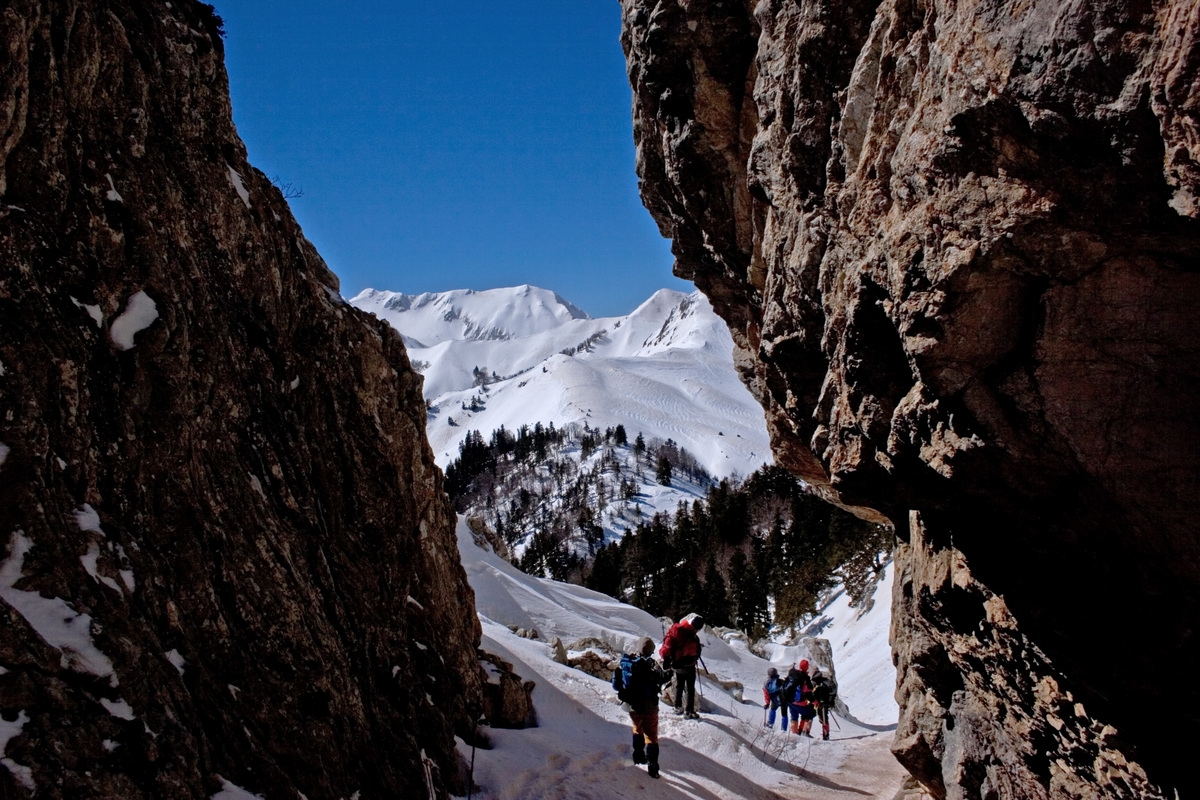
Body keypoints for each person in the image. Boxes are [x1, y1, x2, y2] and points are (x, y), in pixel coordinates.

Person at [612, 637, 669, 778]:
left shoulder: (627, 661)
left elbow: (616, 684)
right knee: (651, 736)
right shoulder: (650, 665)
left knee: (637, 729)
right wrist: (670, 668)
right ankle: (653, 767)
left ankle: (638, 756)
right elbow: (662, 678)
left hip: (632, 706)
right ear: (650, 651)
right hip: (649, 706)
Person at [659, 612, 705, 719]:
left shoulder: (679, 631)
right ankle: (689, 711)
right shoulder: (692, 636)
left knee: (679, 685)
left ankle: (677, 706)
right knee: (690, 688)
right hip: (688, 666)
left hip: (676, 664)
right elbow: (695, 653)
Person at [784, 658, 815, 736]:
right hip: (800, 703)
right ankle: (803, 731)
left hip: (790, 701)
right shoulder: (805, 678)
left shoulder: (792, 674)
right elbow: (809, 694)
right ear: (807, 667)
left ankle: (794, 734)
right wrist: (815, 702)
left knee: (794, 717)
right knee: (809, 714)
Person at [811, 666, 837, 740]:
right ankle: (826, 734)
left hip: (821, 703)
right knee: (824, 718)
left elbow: (815, 693)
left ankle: (825, 734)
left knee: (823, 718)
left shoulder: (818, 683)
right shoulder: (825, 681)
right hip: (827, 702)